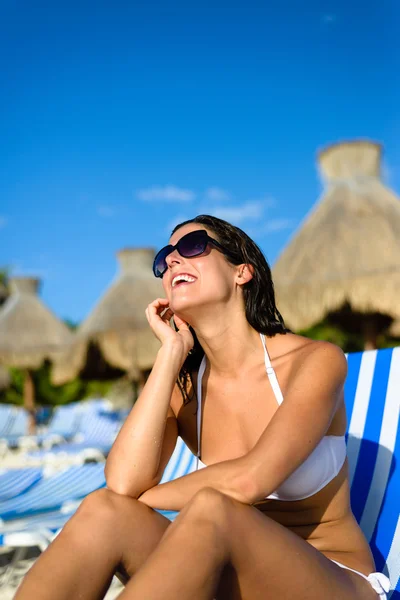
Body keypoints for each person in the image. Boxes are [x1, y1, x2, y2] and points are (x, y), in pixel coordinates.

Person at [15, 215, 390, 600]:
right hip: (233, 580)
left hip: (332, 579)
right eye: (165, 258)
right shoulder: (186, 388)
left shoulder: (315, 361)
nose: (173, 261)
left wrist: (145, 500)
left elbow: (250, 480)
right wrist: (169, 355)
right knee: (103, 511)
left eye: (192, 245)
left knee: (215, 509)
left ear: (242, 271)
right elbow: (122, 484)